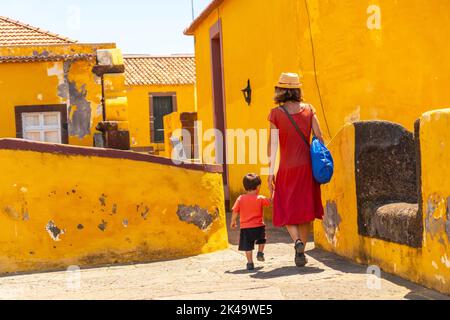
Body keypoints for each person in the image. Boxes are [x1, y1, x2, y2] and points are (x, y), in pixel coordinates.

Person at [267, 72, 325, 267]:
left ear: (281, 91)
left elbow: (272, 145)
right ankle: (302, 252)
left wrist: (269, 172)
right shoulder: (309, 109)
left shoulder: (276, 114)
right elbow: (319, 136)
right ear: (297, 89)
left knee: (285, 207)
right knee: (306, 210)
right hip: (307, 168)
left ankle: (297, 242)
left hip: (286, 168)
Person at [230, 173, 272, 271]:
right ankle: (260, 252)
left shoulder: (240, 198)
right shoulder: (260, 198)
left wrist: (233, 221)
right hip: (259, 226)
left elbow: (235, 210)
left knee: (247, 246)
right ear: (258, 187)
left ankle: (250, 263)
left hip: (245, 228)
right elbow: (270, 202)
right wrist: (271, 191)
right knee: (262, 239)